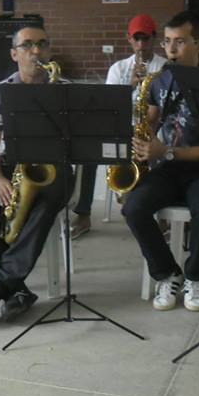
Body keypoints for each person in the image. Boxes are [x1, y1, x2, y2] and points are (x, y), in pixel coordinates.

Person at [0, 24, 73, 326]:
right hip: (11, 164)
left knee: (43, 208)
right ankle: (16, 289)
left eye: (42, 44)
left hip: (57, 167)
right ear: (14, 54)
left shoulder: (66, 89)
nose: (36, 51)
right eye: (27, 45)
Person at [124, 11, 199, 313]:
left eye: (180, 42)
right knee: (133, 207)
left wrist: (166, 152)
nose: (170, 49)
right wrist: (140, 137)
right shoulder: (160, 79)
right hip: (168, 169)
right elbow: (152, 121)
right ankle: (168, 274)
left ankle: (195, 275)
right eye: (167, 41)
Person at [70, 13, 168, 239]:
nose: (141, 45)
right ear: (129, 39)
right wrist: (130, 84)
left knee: (163, 151)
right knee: (87, 153)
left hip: (152, 130)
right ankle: (83, 214)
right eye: (137, 39)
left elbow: (165, 108)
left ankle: (163, 217)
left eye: (146, 39)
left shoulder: (164, 67)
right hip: (119, 129)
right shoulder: (118, 68)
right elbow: (108, 106)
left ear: (154, 38)